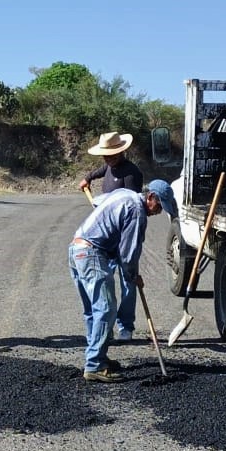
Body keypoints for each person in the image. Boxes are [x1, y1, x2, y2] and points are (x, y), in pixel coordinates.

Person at [69, 178, 177, 382]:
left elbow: (98, 203)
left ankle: (98, 357)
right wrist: (133, 275)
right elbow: (128, 254)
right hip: (92, 254)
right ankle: (94, 365)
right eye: (160, 206)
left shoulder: (124, 194)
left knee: (94, 310)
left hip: (76, 249)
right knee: (106, 309)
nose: (159, 212)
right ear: (151, 197)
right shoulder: (137, 211)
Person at [79, 131, 144, 340]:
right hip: (105, 238)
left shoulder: (131, 173)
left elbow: (131, 207)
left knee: (128, 280)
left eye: (112, 155)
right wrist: (87, 178)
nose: (108, 159)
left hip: (123, 237)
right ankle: (105, 326)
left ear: (122, 151)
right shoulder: (109, 165)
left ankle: (126, 326)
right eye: (105, 156)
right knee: (106, 281)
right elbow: (101, 171)